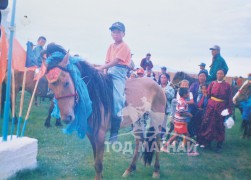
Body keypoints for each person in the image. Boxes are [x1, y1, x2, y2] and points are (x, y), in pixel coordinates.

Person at [97, 22, 131, 142]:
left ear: (123, 34)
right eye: (113, 32)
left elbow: (116, 61)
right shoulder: (111, 46)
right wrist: (104, 72)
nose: (115, 34)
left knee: (117, 99)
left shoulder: (124, 46)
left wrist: (101, 67)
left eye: (118, 32)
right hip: (109, 71)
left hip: (119, 73)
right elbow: (107, 60)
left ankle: (114, 131)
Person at [198, 69, 232, 152]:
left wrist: (229, 109)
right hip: (211, 107)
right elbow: (207, 95)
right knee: (209, 124)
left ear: (224, 75)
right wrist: (201, 104)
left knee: (219, 125)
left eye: (221, 73)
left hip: (221, 108)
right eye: (218, 73)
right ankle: (208, 143)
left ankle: (219, 145)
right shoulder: (212, 84)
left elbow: (229, 99)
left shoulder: (227, 85)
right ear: (216, 75)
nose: (219, 75)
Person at [161, 88, 198, 156]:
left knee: (176, 135)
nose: (189, 94)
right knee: (187, 135)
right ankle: (189, 151)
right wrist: (189, 114)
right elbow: (181, 112)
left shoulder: (180, 100)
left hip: (177, 120)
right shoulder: (183, 102)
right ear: (184, 94)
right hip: (181, 122)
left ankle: (165, 147)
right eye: (188, 93)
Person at [159, 73, 175, 140]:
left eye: (164, 77)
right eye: (161, 77)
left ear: (167, 79)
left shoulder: (170, 88)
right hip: (157, 107)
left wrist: (165, 92)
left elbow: (171, 97)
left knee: (164, 122)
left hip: (166, 107)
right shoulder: (157, 86)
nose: (162, 79)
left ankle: (163, 136)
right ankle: (157, 135)